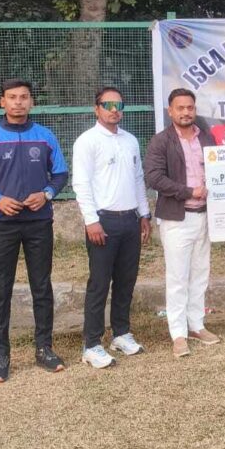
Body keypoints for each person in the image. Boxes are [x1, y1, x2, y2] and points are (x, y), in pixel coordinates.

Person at [0, 78, 68, 383]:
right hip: (2, 225)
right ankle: (1, 356)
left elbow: (61, 174)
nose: (18, 102)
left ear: (31, 102)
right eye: (12, 97)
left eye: (24, 97)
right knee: (1, 290)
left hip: (39, 223)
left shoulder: (45, 136)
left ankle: (44, 349)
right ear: (3, 102)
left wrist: (46, 193)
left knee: (41, 286)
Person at [72, 87, 151, 369]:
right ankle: (92, 344)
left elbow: (138, 179)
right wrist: (91, 220)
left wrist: (144, 213)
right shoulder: (87, 141)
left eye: (119, 105)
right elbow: (81, 183)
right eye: (107, 105)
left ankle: (121, 333)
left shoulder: (130, 140)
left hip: (130, 219)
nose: (114, 110)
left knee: (126, 280)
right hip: (103, 221)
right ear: (97, 109)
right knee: (99, 283)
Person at [144, 88, 219, 359]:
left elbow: (220, 171)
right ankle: (178, 333)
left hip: (205, 216)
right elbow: (154, 178)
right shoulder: (161, 141)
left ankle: (197, 324)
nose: (186, 112)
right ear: (170, 111)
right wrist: (189, 192)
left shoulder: (206, 138)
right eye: (180, 108)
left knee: (200, 273)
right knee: (177, 277)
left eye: (190, 107)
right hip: (177, 218)